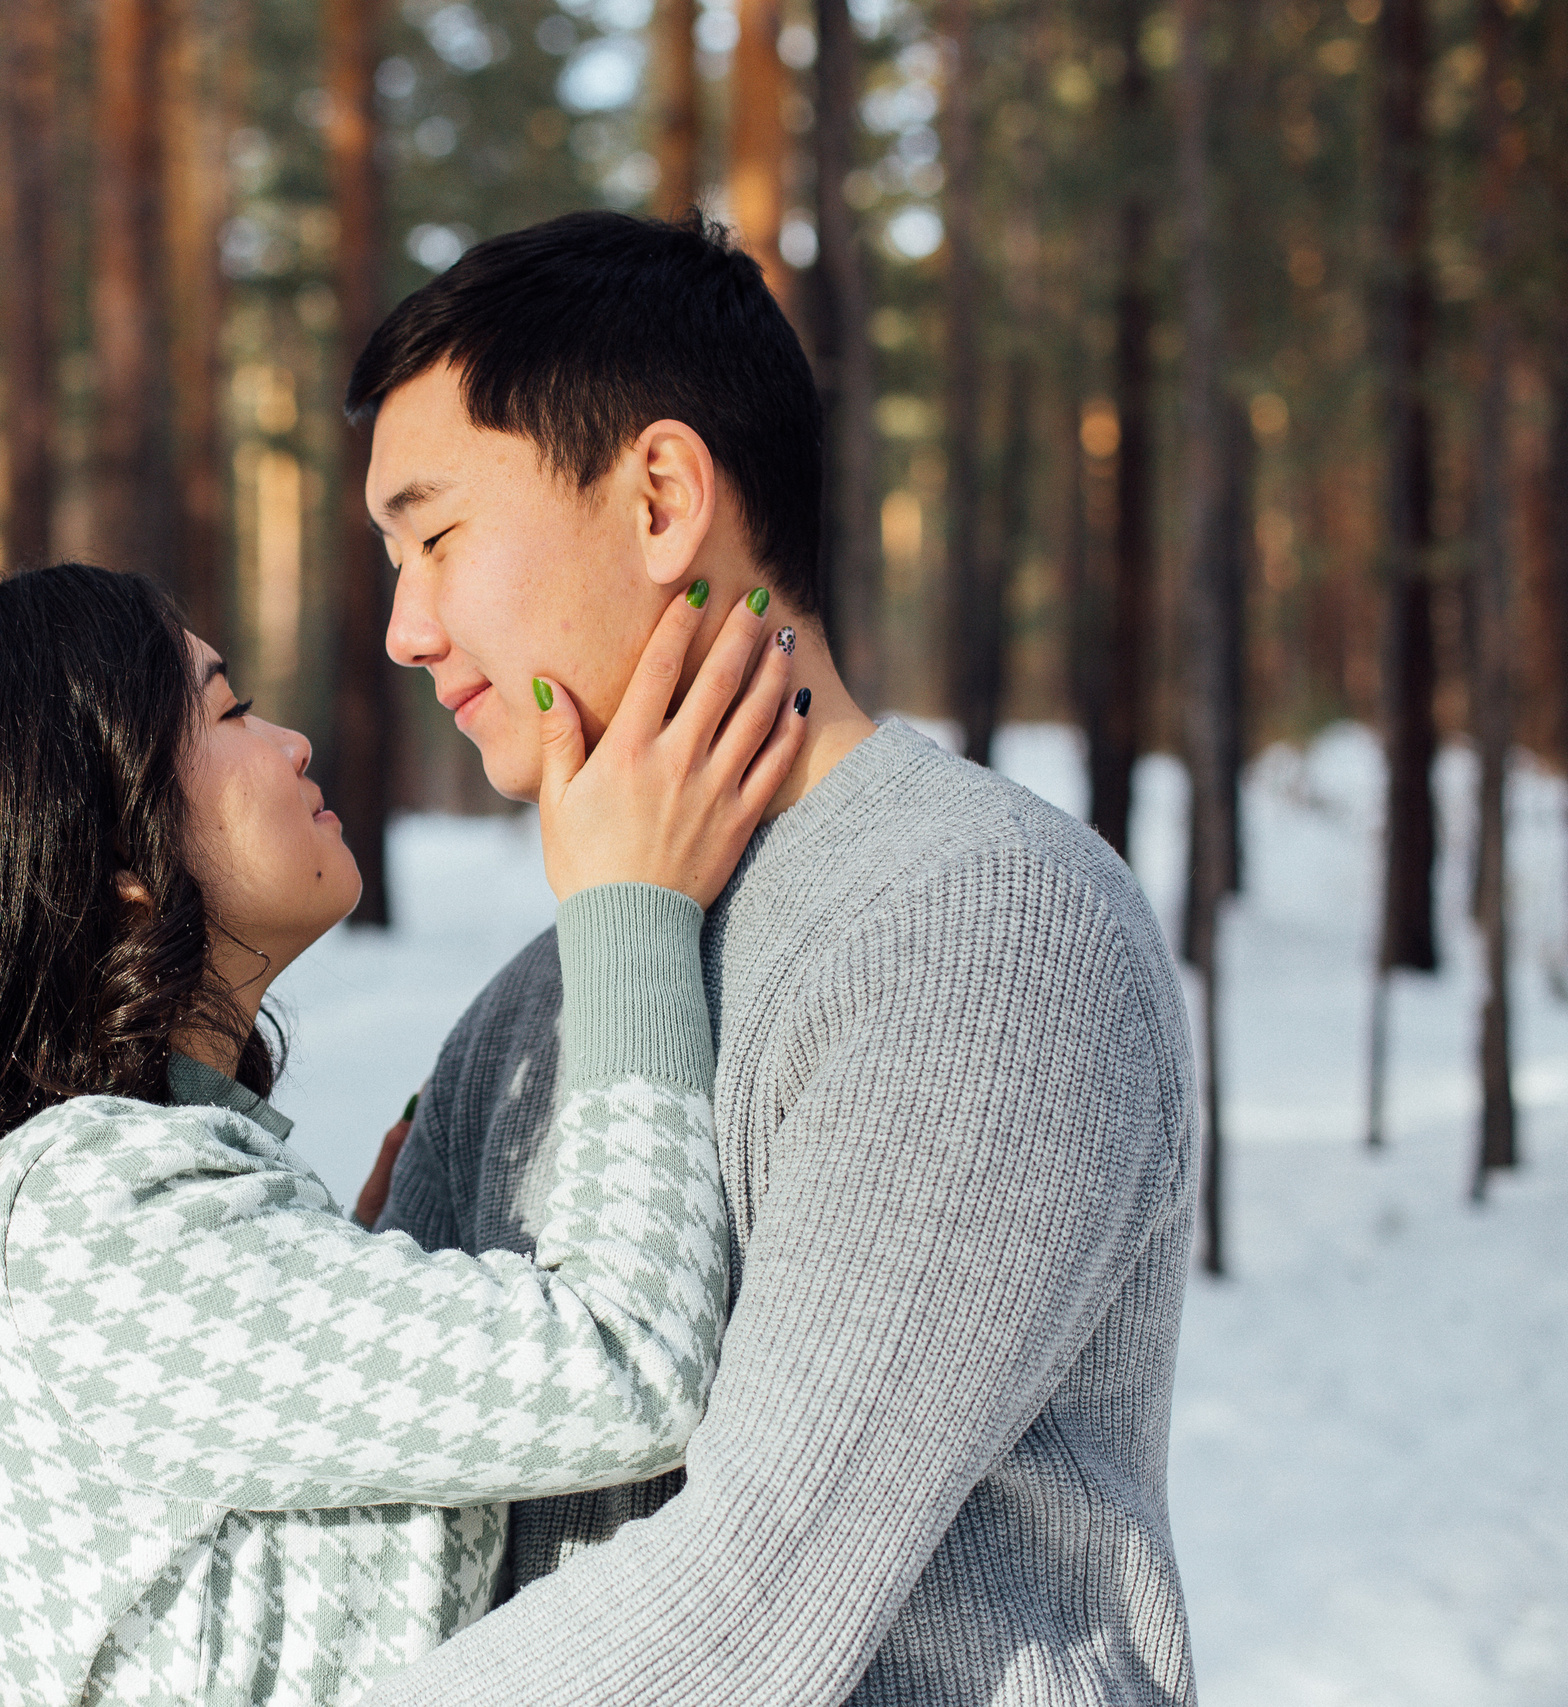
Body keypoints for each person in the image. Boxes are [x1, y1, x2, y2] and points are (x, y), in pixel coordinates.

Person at [350, 210, 1200, 1705]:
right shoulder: (533, 1012)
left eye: (434, 534)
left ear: (664, 494)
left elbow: (754, 1590)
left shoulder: (977, 925)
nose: (404, 629)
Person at [0, 560, 808, 1706]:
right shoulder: (80, 1217)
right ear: (113, 857)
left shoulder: (82, 1210)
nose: (295, 743)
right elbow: (631, 1365)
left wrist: (359, 1263)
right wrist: (631, 910)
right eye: (229, 712)